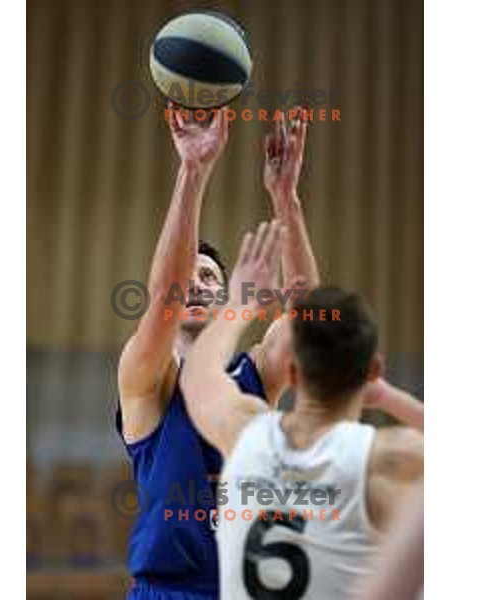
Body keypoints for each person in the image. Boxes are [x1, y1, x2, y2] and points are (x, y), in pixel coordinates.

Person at [117, 106, 319, 599]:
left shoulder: (252, 375)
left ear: (228, 291)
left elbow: (310, 322)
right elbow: (163, 301)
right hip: (170, 590)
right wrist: (192, 170)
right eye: (188, 275)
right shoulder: (146, 381)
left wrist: (285, 200)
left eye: (209, 276)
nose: (196, 284)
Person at [180, 221, 424, 599]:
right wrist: (391, 398)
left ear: (292, 373)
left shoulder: (245, 436)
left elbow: (197, 376)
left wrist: (239, 306)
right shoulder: (390, 458)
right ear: (373, 370)